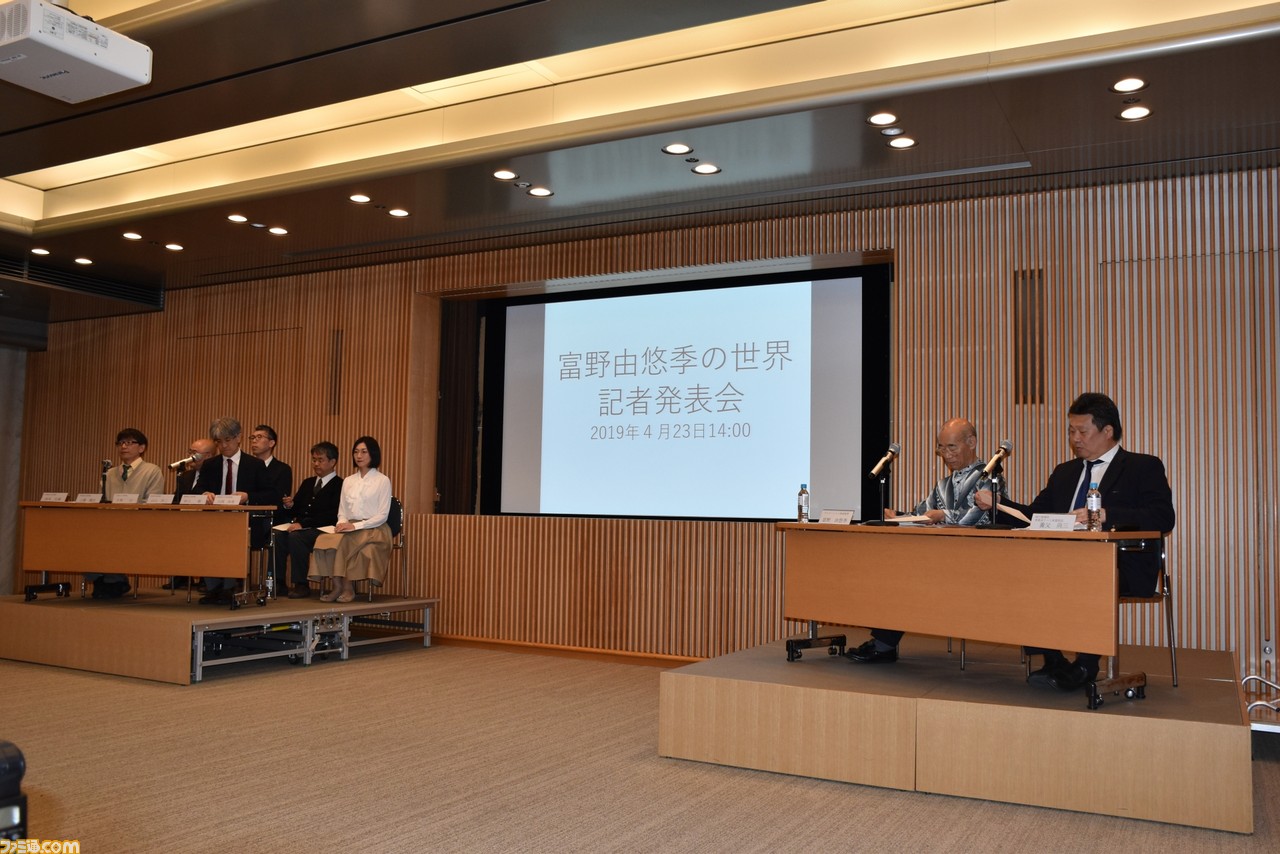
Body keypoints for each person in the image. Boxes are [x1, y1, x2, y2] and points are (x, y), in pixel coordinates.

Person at [976, 392, 1176, 691]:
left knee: (1085, 575)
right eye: (1071, 431)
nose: (1075, 439)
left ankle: (1085, 666)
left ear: (1107, 431)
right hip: (1064, 561)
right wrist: (999, 504)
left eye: (1082, 431)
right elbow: (1035, 516)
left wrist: (1105, 514)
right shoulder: (1064, 473)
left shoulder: (1142, 467)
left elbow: (1162, 517)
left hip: (1122, 562)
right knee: (1024, 572)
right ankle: (1054, 660)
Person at [845, 418, 1007, 663]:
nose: (946, 455)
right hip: (943, 559)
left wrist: (943, 515)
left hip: (979, 560)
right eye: (941, 448)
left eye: (952, 447)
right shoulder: (943, 484)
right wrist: (899, 517)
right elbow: (922, 513)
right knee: (899, 573)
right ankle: (883, 644)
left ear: (972, 443)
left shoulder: (989, 477)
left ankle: (883, 645)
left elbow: (983, 517)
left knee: (911, 575)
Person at [196, 417, 276, 605]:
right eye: (219, 441)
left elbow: (271, 494)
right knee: (204, 533)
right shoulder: (210, 464)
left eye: (228, 440)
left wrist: (248, 496)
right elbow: (197, 488)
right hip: (215, 518)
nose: (224, 445)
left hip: (246, 520)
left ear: (238, 438)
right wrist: (204, 493)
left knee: (231, 533)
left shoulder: (254, 464)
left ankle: (229, 586)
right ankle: (213, 587)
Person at [309, 436, 392, 603]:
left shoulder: (382, 480)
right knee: (324, 540)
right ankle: (337, 585)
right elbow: (342, 511)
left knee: (345, 542)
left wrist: (356, 526)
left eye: (364, 452)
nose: (359, 456)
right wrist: (341, 524)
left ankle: (346, 588)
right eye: (356, 452)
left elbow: (382, 515)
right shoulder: (348, 480)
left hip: (373, 528)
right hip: (350, 526)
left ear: (373, 454)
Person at [87, 428, 165, 598]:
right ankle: (105, 579)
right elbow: (102, 501)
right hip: (110, 523)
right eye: (121, 443)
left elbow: (154, 501)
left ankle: (112, 580)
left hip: (139, 523)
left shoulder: (152, 470)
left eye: (129, 443)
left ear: (142, 448)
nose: (124, 446)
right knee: (86, 536)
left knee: (114, 538)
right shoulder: (109, 473)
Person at [282, 442, 344, 599]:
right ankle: (277, 583)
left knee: (296, 537)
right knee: (276, 535)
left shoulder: (340, 485)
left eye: (320, 460)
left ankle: (301, 584)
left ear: (332, 462)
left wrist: (303, 524)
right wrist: (290, 505)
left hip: (324, 530)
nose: (316, 464)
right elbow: (297, 510)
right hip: (302, 528)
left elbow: (333, 514)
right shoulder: (308, 483)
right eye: (314, 460)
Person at [164, 436, 217, 590]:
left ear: (209, 456)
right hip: (186, 521)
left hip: (207, 521)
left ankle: (205, 579)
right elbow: (177, 498)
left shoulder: (216, 475)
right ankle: (181, 575)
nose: (191, 456)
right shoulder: (185, 475)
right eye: (190, 452)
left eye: (195, 453)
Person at [249, 424, 293, 595]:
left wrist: (250, 496)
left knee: (278, 534)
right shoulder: (247, 467)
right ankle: (233, 580)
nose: (254, 441)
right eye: (252, 438)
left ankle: (275, 581)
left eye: (259, 437)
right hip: (248, 516)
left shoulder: (282, 469)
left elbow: (277, 497)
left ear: (271, 443)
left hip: (273, 517)